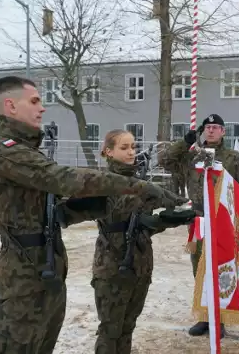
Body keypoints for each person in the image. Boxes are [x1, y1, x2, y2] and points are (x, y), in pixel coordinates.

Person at [0, 76, 187, 354]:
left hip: (46, 269)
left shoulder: (27, 152)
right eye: (35, 101)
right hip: (23, 275)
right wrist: (141, 187)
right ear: (10, 106)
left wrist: (144, 208)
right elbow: (65, 178)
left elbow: (60, 214)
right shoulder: (3, 152)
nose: (42, 108)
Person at [92, 129, 196, 354]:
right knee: (110, 330)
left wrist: (168, 219)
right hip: (113, 266)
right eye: (124, 147)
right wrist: (153, 213)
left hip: (140, 264)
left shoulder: (138, 181)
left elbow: (143, 225)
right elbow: (119, 215)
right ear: (108, 152)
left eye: (133, 147)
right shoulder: (101, 182)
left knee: (128, 326)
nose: (131, 152)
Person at [159, 113, 239, 337]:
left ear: (223, 132)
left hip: (223, 221)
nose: (211, 130)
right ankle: (204, 316)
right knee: (199, 268)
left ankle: (219, 319)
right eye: (207, 127)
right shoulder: (192, 156)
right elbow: (164, 161)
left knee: (220, 269)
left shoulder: (234, 158)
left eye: (216, 127)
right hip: (199, 219)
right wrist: (185, 142)